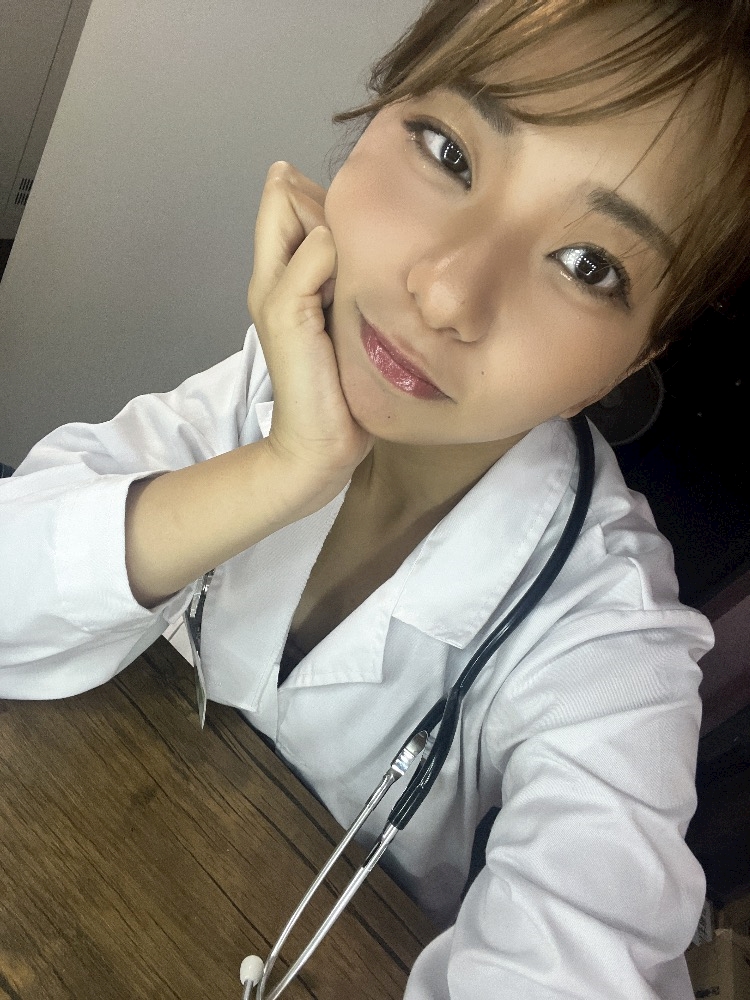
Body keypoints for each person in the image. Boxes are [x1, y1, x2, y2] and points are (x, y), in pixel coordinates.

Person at [2, 0, 749, 996]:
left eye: (588, 266)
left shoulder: (615, 651)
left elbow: (582, 953)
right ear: (375, 112)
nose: (446, 295)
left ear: (636, 355)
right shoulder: (273, 380)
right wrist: (283, 468)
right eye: (449, 152)